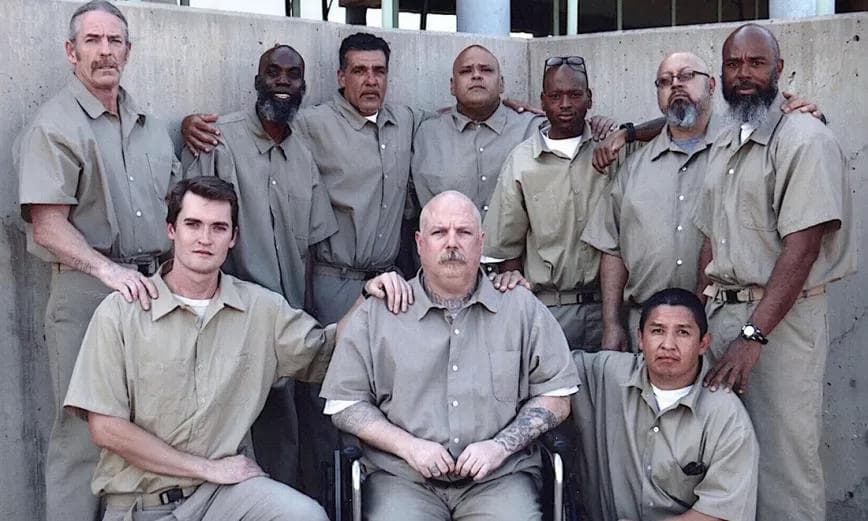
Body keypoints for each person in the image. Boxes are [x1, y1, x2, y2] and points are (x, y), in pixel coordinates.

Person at [63, 176, 409, 521]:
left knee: (304, 516)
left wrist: (366, 296)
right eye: (193, 224)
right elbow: (106, 429)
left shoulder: (260, 309)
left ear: (233, 237)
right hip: (144, 504)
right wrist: (207, 468)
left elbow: (325, 355)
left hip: (227, 497)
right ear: (171, 230)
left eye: (218, 227)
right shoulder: (121, 313)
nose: (204, 238)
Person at [13, 2, 180, 519]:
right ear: (71, 51)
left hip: (152, 288)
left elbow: (173, 202)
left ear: (128, 51)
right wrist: (108, 271)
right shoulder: (55, 124)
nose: (105, 51)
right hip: (87, 293)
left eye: (115, 41)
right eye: (93, 41)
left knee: (150, 424)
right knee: (84, 431)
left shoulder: (150, 125)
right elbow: (47, 223)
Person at [321, 191, 579, 521]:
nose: (452, 243)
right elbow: (344, 404)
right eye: (439, 232)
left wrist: (499, 447)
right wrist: (409, 447)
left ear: (481, 242)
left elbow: (557, 395)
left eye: (464, 232)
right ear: (419, 242)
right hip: (402, 480)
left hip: (499, 479)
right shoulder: (381, 312)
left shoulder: (520, 308)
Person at [692, 23, 856, 521]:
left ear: (779, 69)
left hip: (779, 329)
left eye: (755, 63)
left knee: (783, 466)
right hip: (723, 319)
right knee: (726, 460)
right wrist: (702, 316)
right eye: (733, 64)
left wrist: (753, 336)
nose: (743, 73)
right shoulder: (723, 142)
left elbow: (802, 248)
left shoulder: (805, 138)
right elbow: (711, 237)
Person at [182, 44, 337, 485]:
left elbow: (308, 249)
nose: (283, 81)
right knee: (223, 438)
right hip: (224, 317)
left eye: (292, 75)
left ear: (304, 86)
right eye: (274, 73)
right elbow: (187, 228)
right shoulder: (218, 140)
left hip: (282, 320)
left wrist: (304, 314)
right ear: (258, 81)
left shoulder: (304, 156)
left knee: (282, 436)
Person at [571, 288, 758, 521]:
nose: (668, 344)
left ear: (703, 343)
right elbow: (543, 365)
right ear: (640, 338)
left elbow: (718, 515)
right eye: (657, 331)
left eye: (682, 332)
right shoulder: (605, 375)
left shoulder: (726, 416)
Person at [483, 56, 623, 350]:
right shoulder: (521, 162)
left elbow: (674, 128)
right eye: (556, 96)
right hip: (548, 309)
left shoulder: (613, 150)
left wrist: (626, 132)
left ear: (590, 98)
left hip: (610, 309)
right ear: (543, 102)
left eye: (574, 95)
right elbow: (508, 249)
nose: (565, 104)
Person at [582, 52, 717, 352]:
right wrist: (612, 324)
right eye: (665, 81)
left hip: (719, 324)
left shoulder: (736, 153)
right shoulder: (633, 168)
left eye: (686, 76)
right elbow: (612, 250)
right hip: (644, 327)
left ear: (711, 85)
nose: (676, 85)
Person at [411, 44, 543, 215]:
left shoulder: (534, 129)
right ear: (452, 86)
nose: (476, 76)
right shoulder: (426, 135)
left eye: (486, 70)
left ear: (501, 83)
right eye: (466, 71)